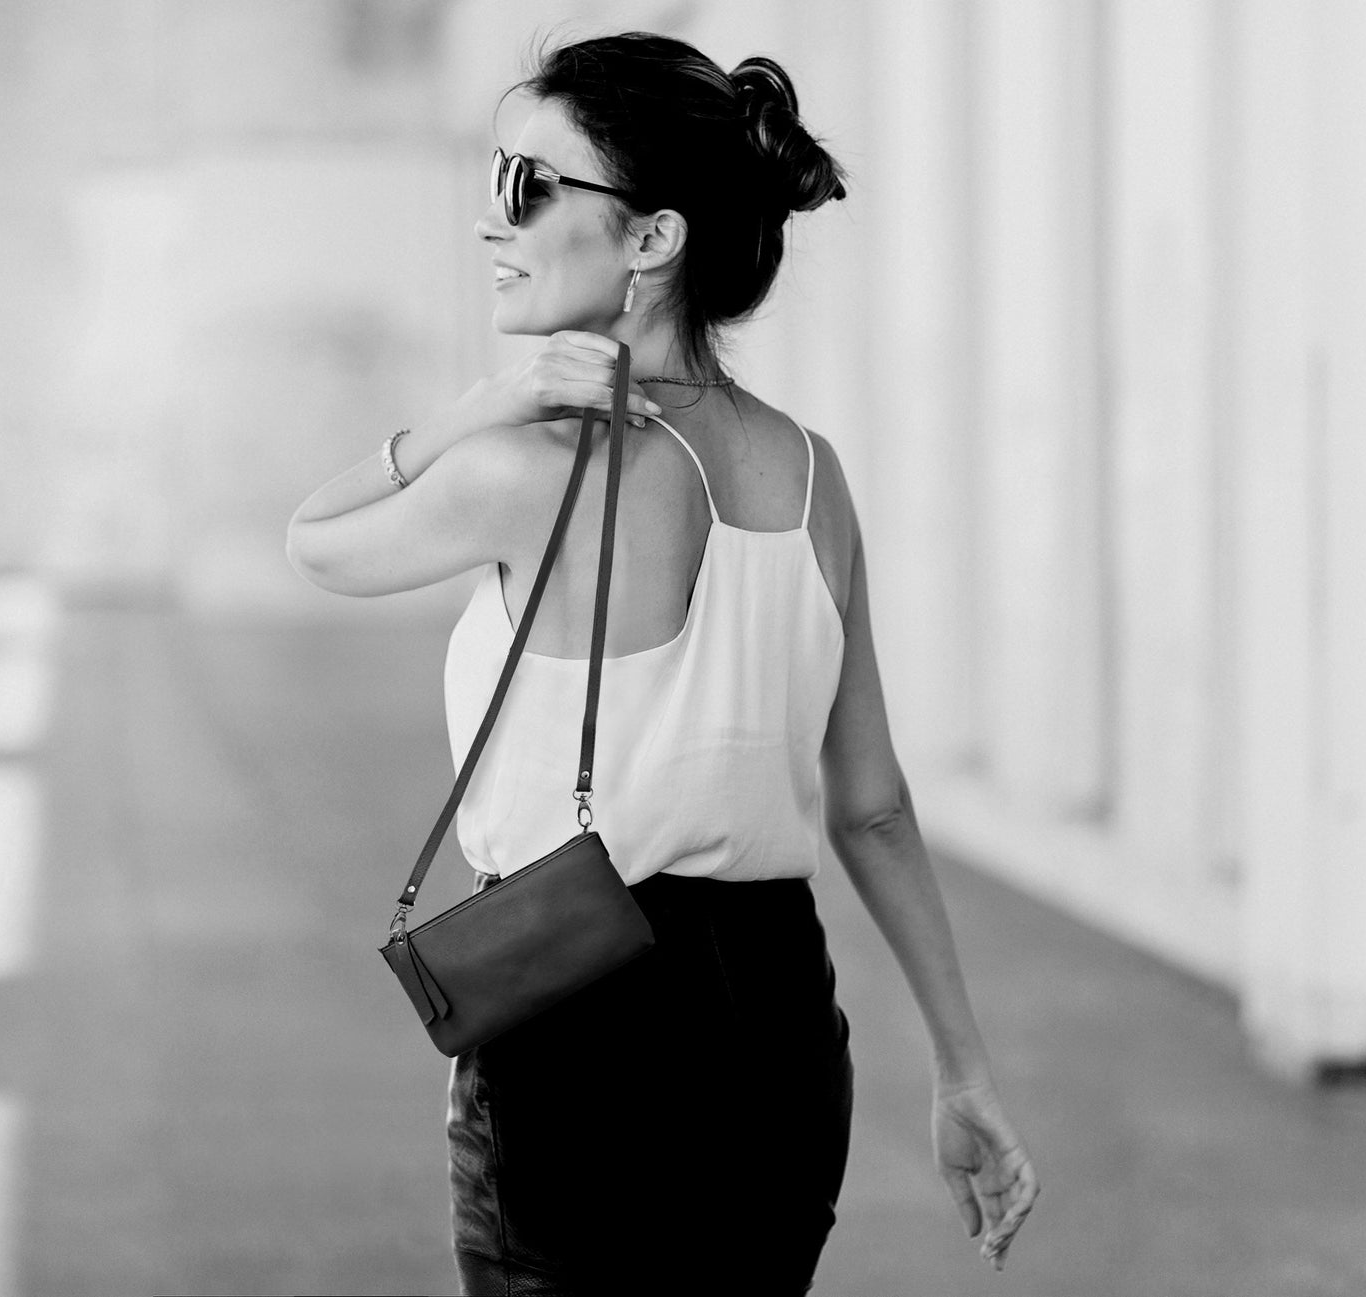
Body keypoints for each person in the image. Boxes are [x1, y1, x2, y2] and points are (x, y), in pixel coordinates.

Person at [286, 31, 1037, 1296]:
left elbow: (312, 542)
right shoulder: (810, 475)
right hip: (780, 1026)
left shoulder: (529, 469)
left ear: (650, 239)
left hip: (580, 1024)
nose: (492, 217)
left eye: (531, 185)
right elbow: (873, 804)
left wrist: (472, 409)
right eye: (492, 174)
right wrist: (962, 1072)